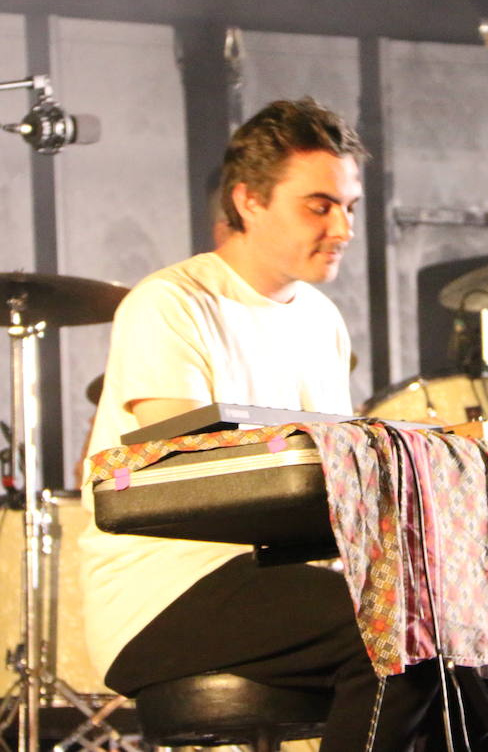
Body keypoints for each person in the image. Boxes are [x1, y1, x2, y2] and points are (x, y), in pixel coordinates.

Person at [78, 98, 439, 751]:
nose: (343, 227)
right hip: (166, 588)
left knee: (480, 639)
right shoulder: (171, 304)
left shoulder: (322, 320)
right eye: (319, 206)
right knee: (397, 625)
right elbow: (189, 484)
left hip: (275, 574)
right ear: (248, 201)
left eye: (350, 207)